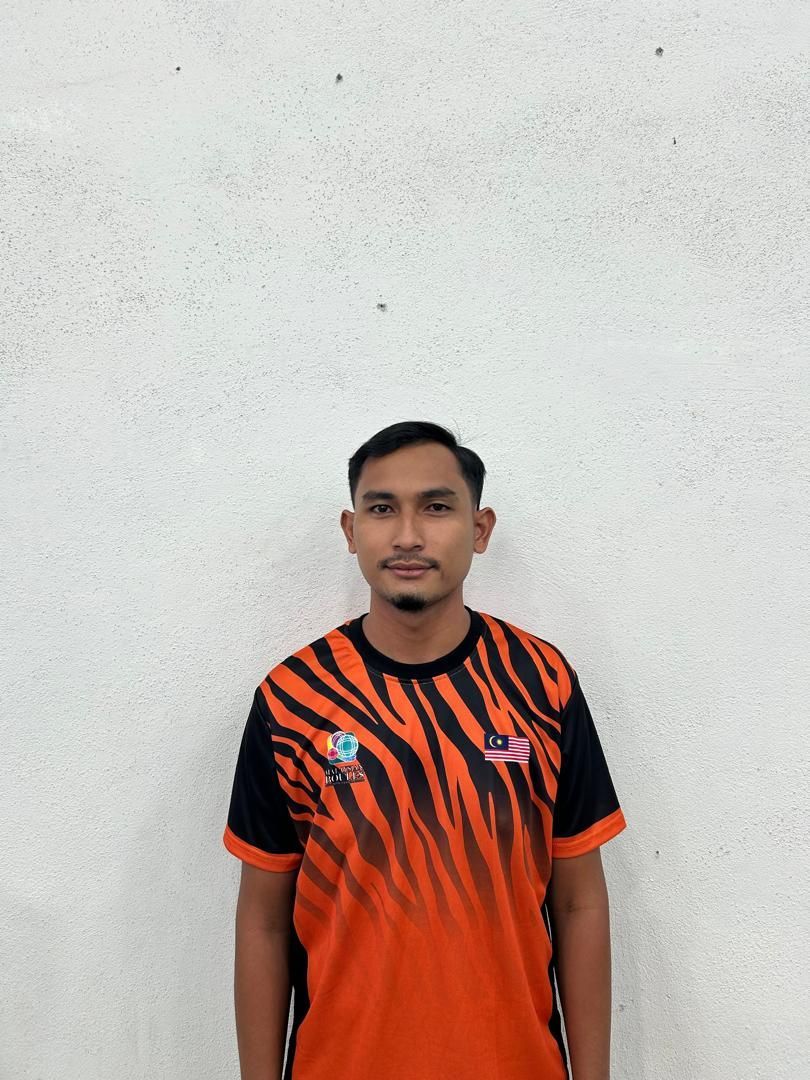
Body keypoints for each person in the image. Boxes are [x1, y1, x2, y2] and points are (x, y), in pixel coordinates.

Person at [222, 419, 627, 1080]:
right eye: (382, 509)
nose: (408, 535)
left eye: (436, 507)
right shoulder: (292, 698)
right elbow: (263, 923)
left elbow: (580, 904)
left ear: (480, 528)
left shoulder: (541, 684)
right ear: (351, 530)